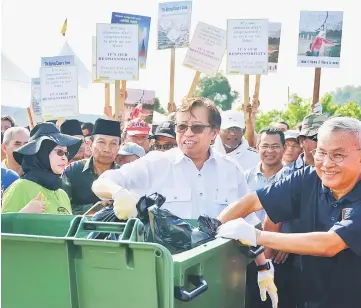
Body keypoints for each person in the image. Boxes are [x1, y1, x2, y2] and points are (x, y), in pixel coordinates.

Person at [92, 97, 278, 307]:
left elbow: (248, 224)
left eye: (197, 127)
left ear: (214, 132)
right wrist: (118, 193)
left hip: (218, 281)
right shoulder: (156, 163)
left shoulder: (231, 171)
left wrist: (263, 268)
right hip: (166, 281)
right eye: (181, 127)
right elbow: (102, 183)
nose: (187, 133)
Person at [217, 117, 361, 308]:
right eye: (321, 152)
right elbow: (254, 201)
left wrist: (256, 235)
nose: (326, 163)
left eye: (338, 155)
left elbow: (330, 244)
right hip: (311, 297)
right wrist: (213, 228)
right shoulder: (308, 179)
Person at [2, 123, 81, 214]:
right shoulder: (20, 187)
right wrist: (24, 213)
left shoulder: (62, 194)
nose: (64, 158)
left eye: (66, 153)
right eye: (59, 152)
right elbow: (4, 226)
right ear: (41, 153)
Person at [62, 118, 121, 215]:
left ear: (119, 147)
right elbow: (63, 208)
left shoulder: (124, 175)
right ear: (90, 144)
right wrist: (94, 209)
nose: (107, 149)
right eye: (101, 142)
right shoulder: (73, 171)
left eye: (113, 143)